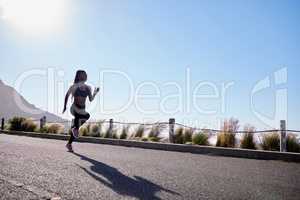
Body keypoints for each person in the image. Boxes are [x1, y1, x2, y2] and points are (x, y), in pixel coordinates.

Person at [63, 70, 99, 152]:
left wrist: (95, 93)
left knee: (85, 117)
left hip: (82, 110)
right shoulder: (74, 86)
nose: (85, 76)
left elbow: (90, 99)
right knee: (77, 120)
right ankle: (75, 128)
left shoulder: (88, 88)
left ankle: (69, 143)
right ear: (79, 76)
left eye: (86, 75)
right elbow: (67, 95)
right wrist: (65, 106)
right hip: (74, 108)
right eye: (83, 75)